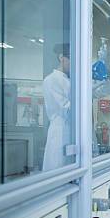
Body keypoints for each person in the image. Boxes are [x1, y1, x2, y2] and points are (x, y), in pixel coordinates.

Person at [42, 43, 71, 171]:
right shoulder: (51, 80)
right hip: (60, 133)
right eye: (71, 59)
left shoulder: (69, 80)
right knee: (57, 170)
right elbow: (67, 109)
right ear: (61, 58)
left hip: (69, 132)